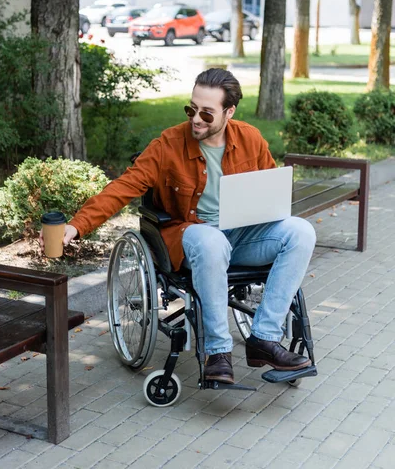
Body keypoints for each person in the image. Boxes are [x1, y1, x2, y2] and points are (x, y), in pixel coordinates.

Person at [40, 68, 316, 384]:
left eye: (207, 114)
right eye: (191, 109)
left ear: (229, 112)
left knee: (301, 231)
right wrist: (76, 226)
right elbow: (124, 186)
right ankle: (217, 350)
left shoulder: (251, 138)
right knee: (210, 241)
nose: (196, 119)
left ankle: (264, 339)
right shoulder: (168, 145)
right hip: (193, 234)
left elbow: (271, 192)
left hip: (241, 235)